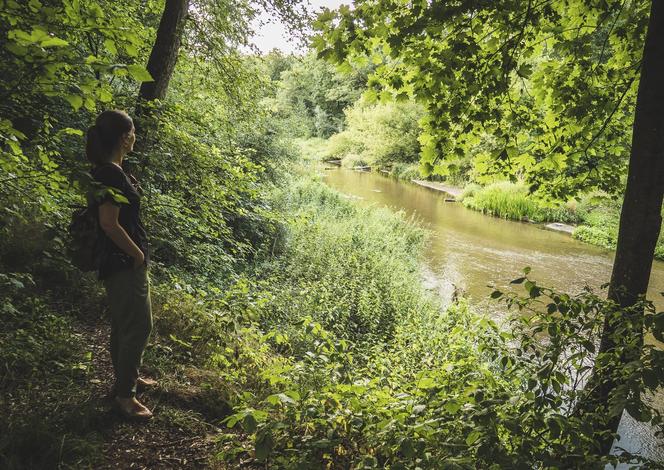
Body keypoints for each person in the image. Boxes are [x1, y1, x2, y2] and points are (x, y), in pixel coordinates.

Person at [86, 110, 155, 420]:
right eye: (134, 131)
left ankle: (127, 377)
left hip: (122, 260)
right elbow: (109, 224)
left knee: (123, 324)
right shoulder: (110, 174)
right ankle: (125, 397)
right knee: (140, 326)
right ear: (125, 137)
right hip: (123, 262)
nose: (136, 136)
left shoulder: (113, 170)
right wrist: (137, 255)